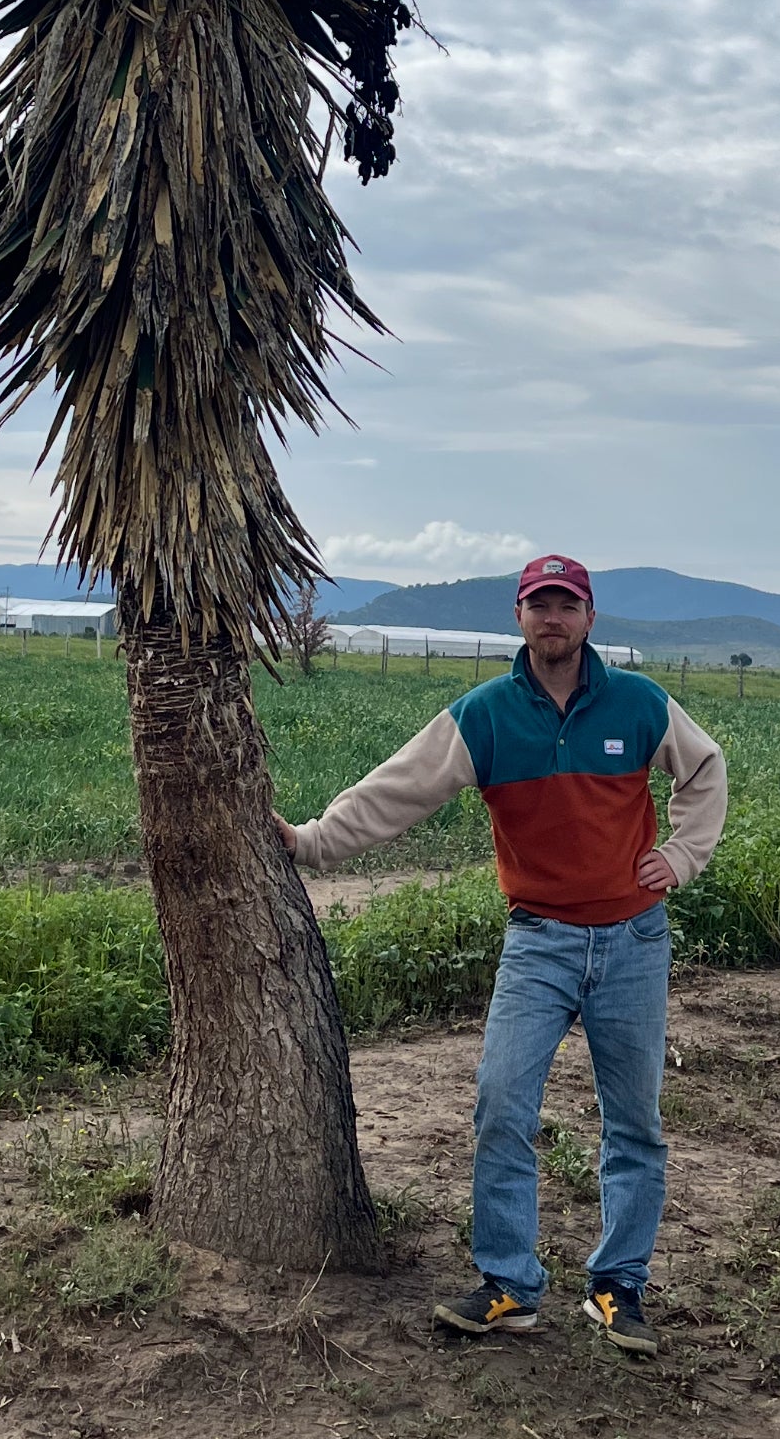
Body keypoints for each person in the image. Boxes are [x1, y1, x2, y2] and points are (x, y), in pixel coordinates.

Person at [274, 553, 727, 1355]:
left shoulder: (639, 703)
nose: (552, 617)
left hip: (632, 941)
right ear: (519, 617)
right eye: (537, 603)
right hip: (539, 940)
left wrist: (684, 855)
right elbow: (396, 789)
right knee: (500, 1103)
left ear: (590, 618)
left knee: (634, 1124)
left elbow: (704, 768)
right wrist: (311, 842)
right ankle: (508, 1286)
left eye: (566, 604)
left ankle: (619, 1287)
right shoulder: (482, 716)